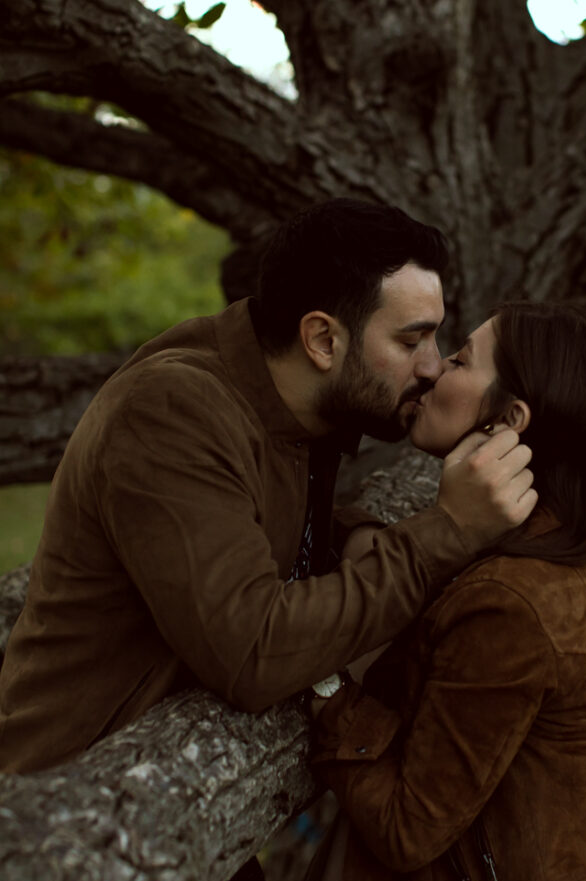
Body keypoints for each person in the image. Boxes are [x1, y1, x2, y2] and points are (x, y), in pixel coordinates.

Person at [0, 198, 537, 776]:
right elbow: (251, 653)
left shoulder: (296, 401)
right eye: (412, 342)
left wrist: (349, 534)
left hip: (171, 788)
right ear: (323, 341)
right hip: (65, 810)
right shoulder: (171, 412)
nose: (432, 367)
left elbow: (247, 520)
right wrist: (446, 533)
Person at [304, 301, 586, 881]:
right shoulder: (584, 545)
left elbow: (405, 827)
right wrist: (375, 535)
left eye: (460, 359)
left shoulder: (511, 601)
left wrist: (320, 677)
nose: (431, 369)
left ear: (509, 420)